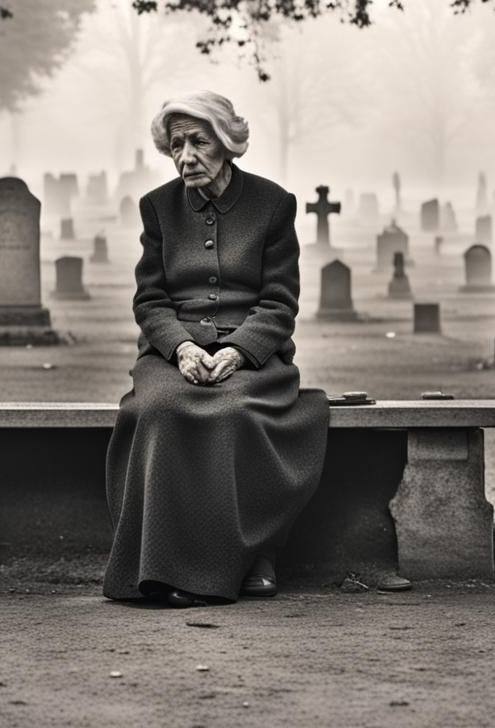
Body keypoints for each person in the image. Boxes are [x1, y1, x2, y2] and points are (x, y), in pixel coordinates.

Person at [103, 90, 330, 608]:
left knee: (234, 414)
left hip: (252, 355)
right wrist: (182, 348)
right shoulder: (158, 207)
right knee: (159, 410)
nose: (185, 157)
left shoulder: (273, 204)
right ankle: (158, 569)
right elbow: (150, 299)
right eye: (176, 145)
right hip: (171, 354)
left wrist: (238, 351)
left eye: (198, 143)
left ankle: (250, 556)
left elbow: (279, 302)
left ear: (227, 143)